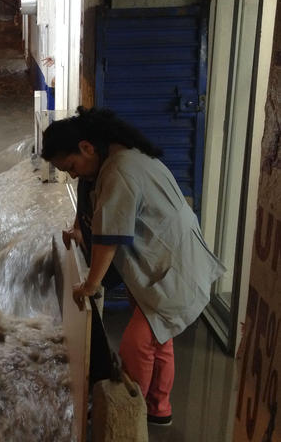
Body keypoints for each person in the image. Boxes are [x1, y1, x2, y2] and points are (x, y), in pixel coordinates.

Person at [41, 107, 226, 426]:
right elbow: (94, 208)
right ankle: (158, 409)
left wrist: (90, 285)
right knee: (160, 338)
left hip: (171, 268)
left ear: (86, 147)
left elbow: (109, 237)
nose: (72, 175)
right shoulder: (119, 158)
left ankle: (129, 414)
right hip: (163, 265)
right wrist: (77, 230)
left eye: (70, 166)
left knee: (137, 344)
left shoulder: (120, 170)